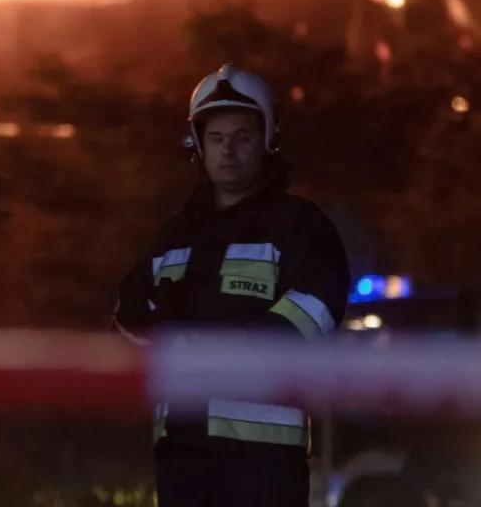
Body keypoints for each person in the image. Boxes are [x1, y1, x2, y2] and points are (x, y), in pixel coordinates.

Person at [112, 64, 352, 507]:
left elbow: (315, 310)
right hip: (181, 450)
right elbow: (130, 312)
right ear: (197, 145)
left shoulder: (299, 225)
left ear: (267, 141)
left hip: (265, 458)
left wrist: (221, 340)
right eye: (217, 138)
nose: (229, 151)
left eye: (243, 137)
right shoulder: (172, 234)